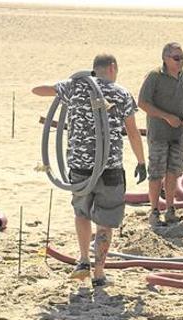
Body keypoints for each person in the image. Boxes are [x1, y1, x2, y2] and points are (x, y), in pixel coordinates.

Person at [32, 54, 146, 286]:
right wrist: (141, 162)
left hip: (80, 166)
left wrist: (69, 84)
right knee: (105, 221)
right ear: (112, 68)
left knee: (81, 212)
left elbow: (37, 90)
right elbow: (133, 132)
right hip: (110, 167)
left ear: (94, 70)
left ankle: (83, 259)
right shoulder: (121, 93)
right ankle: (99, 272)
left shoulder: (74, 87)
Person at [138, 41, 183, 226]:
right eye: (176, 58)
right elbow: (143, 103)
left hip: (178, 134)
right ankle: (154, 211)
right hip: (159, 134)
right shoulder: (155, 76)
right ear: (165, 58)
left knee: (174, 171)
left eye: (182, 58)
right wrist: (166, 117)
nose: (180, 62)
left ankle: (170, 209)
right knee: (156, 172)